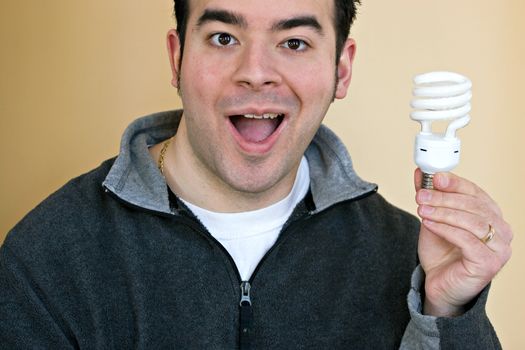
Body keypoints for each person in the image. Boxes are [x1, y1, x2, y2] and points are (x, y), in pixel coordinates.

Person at [0, 0, 512, 348]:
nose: (255, 71)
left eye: (293, 43)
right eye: (224, 37)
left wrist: (445, 313)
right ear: (177, 59)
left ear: (342, 69)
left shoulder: (408, 255)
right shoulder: (49, 256)